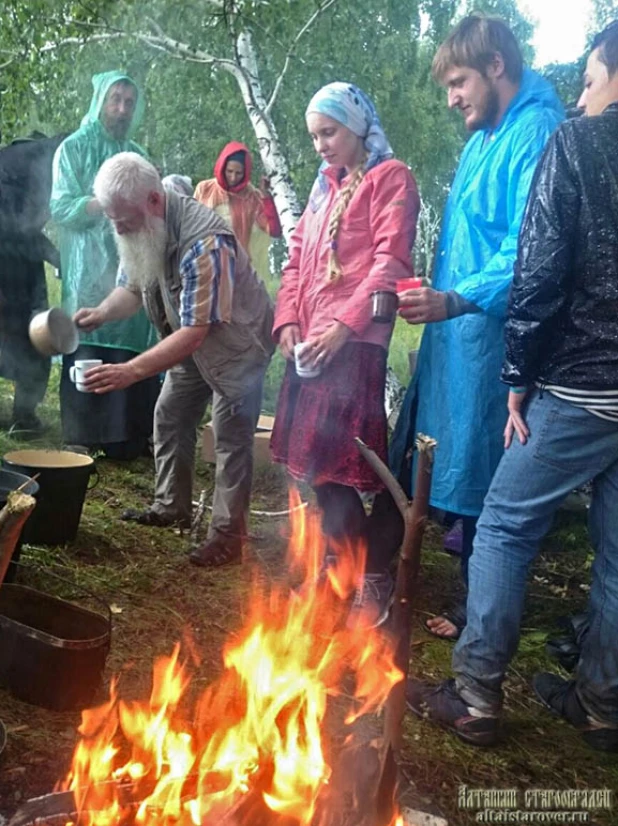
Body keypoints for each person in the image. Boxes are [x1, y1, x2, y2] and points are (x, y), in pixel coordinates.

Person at [405, 20, 618, 753]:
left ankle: (474, 695)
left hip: (580, 377)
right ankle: (601, 707)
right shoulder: (496, 138)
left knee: (504, 522)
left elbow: (537, 267)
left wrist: (520, 377)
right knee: (615, 549)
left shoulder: (565, 139)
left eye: (592, 79)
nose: (583, 94)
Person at [389, 15, 564, 640]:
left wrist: (459, 299)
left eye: (458, 81)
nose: (451, 98)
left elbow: (529, 245)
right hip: (458, 333)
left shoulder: (539, 131)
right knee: (459, 455)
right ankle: (463, 590)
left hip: (495, 335)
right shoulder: (484, 136)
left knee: (489, 465)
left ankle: (477, 616)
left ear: (496, 65)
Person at [74, 152, 274, 566]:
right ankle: (170, 507)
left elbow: (195, 331)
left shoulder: (205, 241)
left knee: (230, 435)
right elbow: (132, 288)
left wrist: (131, 370)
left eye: (122, 217)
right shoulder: (145, 226)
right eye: (111, 217)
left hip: (239, 344)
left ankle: (226, 537)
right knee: (169, 414)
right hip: (193, 340)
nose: (117, 227)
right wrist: (101, 313)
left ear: (152, 199)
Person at [271, 82, 420, 626]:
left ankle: (372, 576)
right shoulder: (321, 190)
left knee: (346, 467)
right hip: (311, 346)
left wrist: (341, 327)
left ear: (357, 127)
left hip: (352, 346)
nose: (320, 146)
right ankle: (340, 563)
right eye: (314, 136)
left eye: (328, 133)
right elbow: (294, 263)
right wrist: (287, 320)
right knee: (316, 467)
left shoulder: (391, 179)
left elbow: (390, 262)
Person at [50, 71, 159, 459]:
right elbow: (60, 206)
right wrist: (107, 200)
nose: (122, 109)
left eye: (129, 102)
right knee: (88, 335)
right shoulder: (74, 149)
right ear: (100, 102)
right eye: (115, 100)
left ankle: (127, 437)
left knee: (128, 339)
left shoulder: (137, 154)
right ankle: (82, 433)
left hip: (128, 261)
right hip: (87, 264)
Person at [0, 133, 64, 433]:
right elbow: (21, 228)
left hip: (24, 269)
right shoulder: (39, 164)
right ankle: (23, 416)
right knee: (31, 337)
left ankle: (23, 416)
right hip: (11, 268)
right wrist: (55, 255)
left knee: (33, 335)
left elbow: (26, 229)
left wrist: (56, 256)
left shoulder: (28, 160)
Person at [194, 142, 281, 281]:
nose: (233, 178)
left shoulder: (251, 196)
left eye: (238, 173)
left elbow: (274, 230)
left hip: (238, 270)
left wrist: (266, 196)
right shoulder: (204, 189)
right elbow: (192, 228)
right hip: (207, 267)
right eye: (229, 171)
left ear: (245, 172)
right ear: (222, 167)